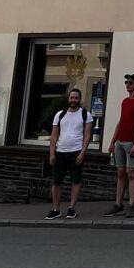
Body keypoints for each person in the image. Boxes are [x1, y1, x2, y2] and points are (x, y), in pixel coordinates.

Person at [103, 73, 134, 218]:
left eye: (130, 83)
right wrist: (112, 141)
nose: (127, 85)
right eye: (126, 83)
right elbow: (121, 122)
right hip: (120, 141)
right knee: (120, 172)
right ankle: (118, 203)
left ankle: (131, 205)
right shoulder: (125, 102)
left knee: (131, 173)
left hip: (131, 142)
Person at [46, 88, 92, 220]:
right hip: (60, 151)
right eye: (72, 97)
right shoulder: (60, 115)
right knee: (56, 181)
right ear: (68, 99)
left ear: (80, 99)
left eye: (76, 98)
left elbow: (87, 136)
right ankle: (56, 209)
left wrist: (82, 153)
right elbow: (54, 136)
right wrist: (52, 153)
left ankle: (71, 208)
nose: (73, 100)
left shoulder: (85, 115)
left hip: (76, 151)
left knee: (75, 180)